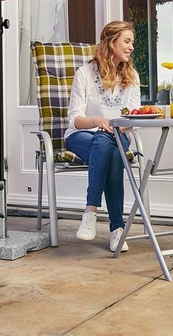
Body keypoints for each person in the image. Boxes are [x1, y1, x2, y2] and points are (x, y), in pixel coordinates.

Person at [64, 20, 140, 253]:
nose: (131, 47)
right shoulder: (85, 73)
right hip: (81, 136)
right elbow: (74, 119)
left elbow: (133, 118)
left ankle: (91, 212)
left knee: (108, 146)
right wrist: (98, 122)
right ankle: (117, 230)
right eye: (126, 41)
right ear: (111, 42)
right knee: (105, 145)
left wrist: (114, 126)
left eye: (132, 43)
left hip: (117, 136)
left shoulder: (131, 76)